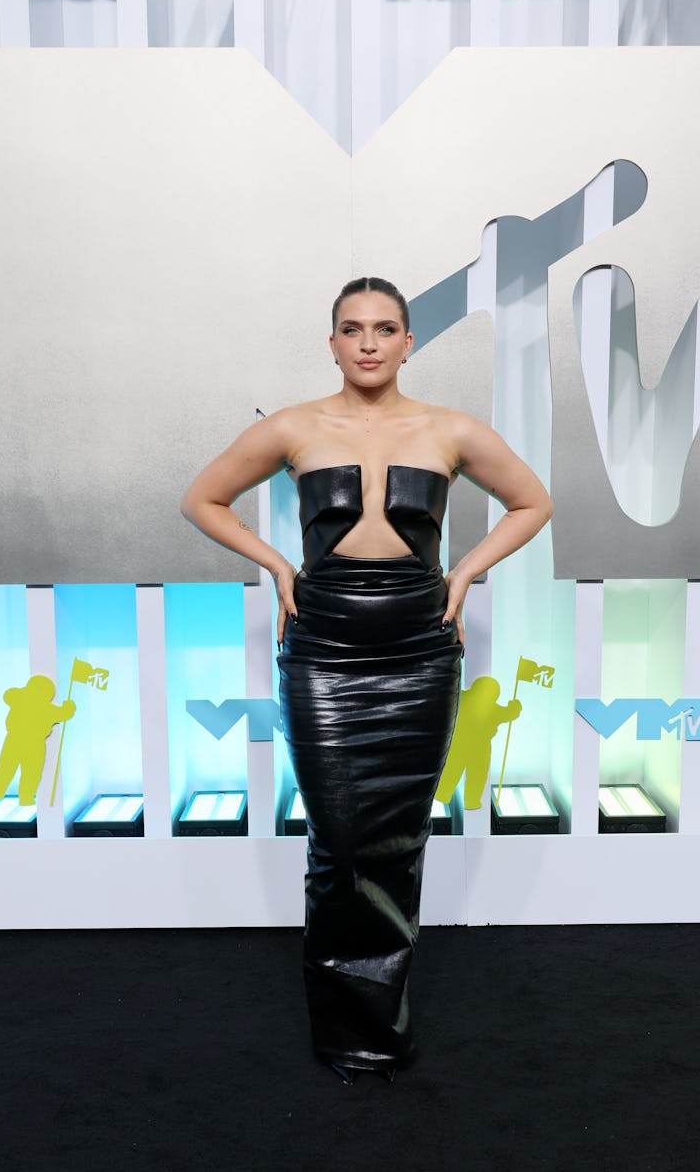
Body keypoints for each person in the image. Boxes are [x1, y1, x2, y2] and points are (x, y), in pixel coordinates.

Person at [181, 277, 553, 1085]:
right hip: (324, 647)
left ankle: (381, 1028)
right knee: (339, 839)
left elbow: (532, 503)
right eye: (353, 329)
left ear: (410, 342)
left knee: (397, 838)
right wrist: (277, 562)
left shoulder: (449, 429)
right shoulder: (295, 427)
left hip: (420, 648)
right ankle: (345, 1027)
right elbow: (203, 498)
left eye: (386, 329)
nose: (370, 343)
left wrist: (464, 576)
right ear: (334, 343)